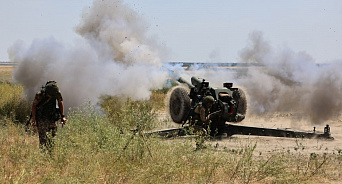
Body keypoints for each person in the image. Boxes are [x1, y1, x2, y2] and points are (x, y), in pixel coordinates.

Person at [31, 81, 66, 149]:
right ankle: (43, 154)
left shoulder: (57, 93)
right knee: (43, 138)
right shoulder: (40, 94)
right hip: (42, 118)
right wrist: (34, 119)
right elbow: (34, 106)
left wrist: (62, 116)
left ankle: (50, 154)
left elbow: (60, 103)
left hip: (52, 117)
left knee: (53, 137)